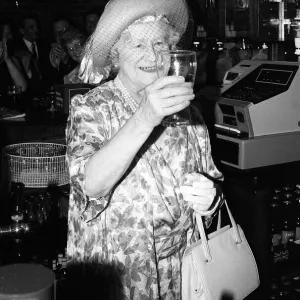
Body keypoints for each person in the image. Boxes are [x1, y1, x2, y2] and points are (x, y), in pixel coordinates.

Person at [65, 0, 224, 299]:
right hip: (119, 273)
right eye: (137, 45)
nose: (152, 55)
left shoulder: (189, 113)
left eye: (159, 44)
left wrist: (211, 199)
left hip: (182, 270)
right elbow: (90, 185)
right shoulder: (92, 107)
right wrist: (145, 116)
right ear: (116, 54)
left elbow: (211, 179)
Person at [14, 14, 51, 95]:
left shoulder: (45, 46)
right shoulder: (16, 50)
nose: (36, 29)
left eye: (36, 27)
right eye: (31, 27)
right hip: (26, 94)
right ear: (22, 31)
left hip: (46, 93)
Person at [0, 19, 27, 96]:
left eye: (10, 33)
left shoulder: (12, 59)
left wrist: (6, 59)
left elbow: (22, 87)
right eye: (7, 34)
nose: (10, 37)